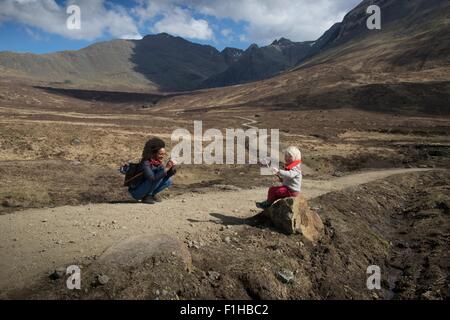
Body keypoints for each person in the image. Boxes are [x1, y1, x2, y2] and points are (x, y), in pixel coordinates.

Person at [128, 137, 177, 204]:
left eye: (163, 154)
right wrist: (166, 168)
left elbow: (164, 176)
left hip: (145, 188)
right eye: (160, 154)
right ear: (153, 153)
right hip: (136, 192)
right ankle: (148, 196)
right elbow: (152, 178)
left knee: (168, 181)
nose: (162, 156)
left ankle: (150, 195)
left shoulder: (157, 162)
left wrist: (171, 169)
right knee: (158, 177)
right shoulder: (145, 163)